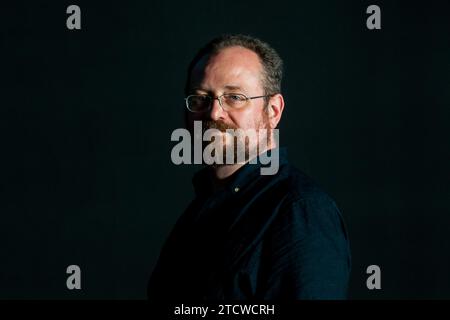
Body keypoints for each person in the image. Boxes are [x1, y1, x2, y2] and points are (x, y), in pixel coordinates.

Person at [148, 34, 351, 300]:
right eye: (200, 99)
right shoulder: (198, 213)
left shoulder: (299, 211)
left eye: (234, 97)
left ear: (273, 111)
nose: (213, 114)